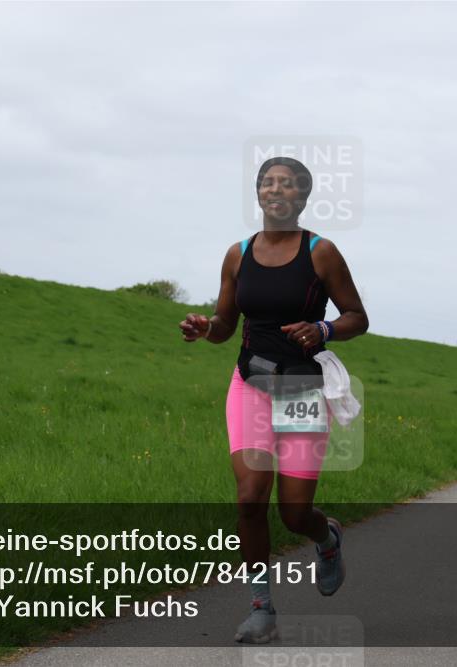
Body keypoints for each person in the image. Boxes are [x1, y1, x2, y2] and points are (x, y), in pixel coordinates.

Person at [179, 156, 369, 644]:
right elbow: (225, 326)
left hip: (302, 390)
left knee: (293, 513)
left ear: (302, 198)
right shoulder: (237, 254)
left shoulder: (321, 252)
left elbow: (356, 316)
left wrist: (322, 327)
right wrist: (206, 329)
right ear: (258, 194)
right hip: (251, 385)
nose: (275, 189)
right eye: (267, 182)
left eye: (287, 184)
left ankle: (325, 539)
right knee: (249, 499)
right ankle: (261, 608)